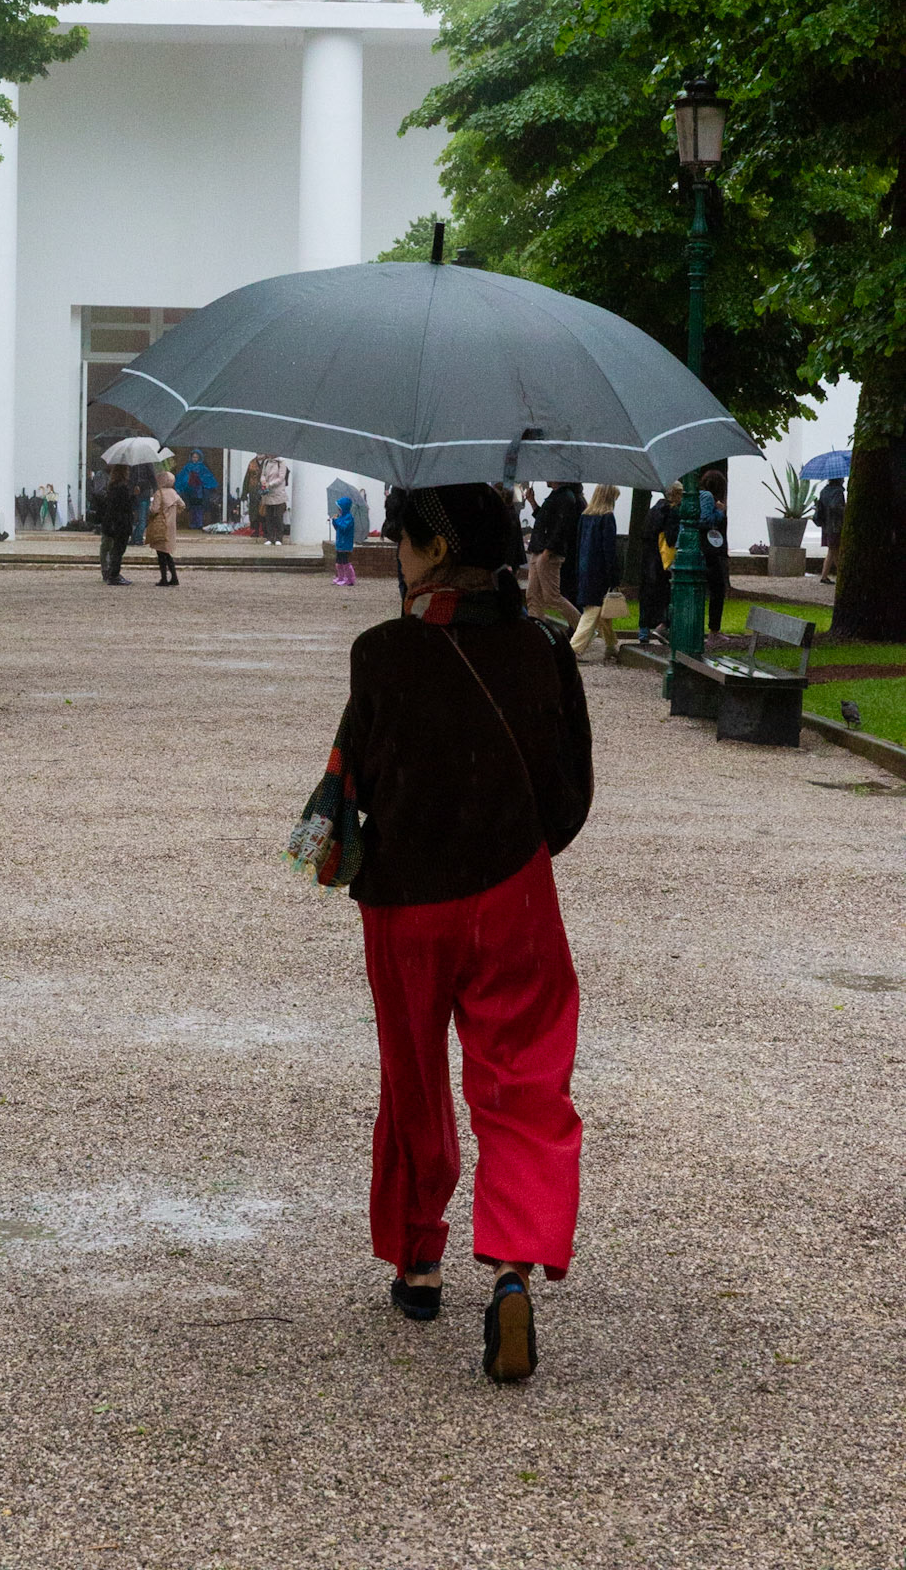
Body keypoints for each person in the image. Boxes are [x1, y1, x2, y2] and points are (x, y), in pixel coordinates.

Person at [289, 483, 592, 1383]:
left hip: (407, 901)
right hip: (514, 892)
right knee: (526, 1077)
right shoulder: (542, 650)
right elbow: (569, 790)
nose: (394, 552)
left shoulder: (381, 652)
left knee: (414, 1075)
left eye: (401, 539)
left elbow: (364, 779)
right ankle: (510, 1267)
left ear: (431, 546)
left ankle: (418, 1263)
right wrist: (516, 846)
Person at [570, 485, 623, 662]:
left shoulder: (585, 517)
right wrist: (614, 576)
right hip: (600, 571)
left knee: (602, 610)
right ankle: (573, 649)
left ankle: (610, 646)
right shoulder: (607, 517)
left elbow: (578, 545)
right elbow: (609, 550)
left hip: (585, 568)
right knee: (592, 611)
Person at [525, 482, 582, 631]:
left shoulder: (565, 497)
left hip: (548, 553)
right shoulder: (555, 496)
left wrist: (548, 551)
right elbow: (544, 521)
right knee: (533, 595)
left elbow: (561, 527)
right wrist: (532, 502)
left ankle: (582, 628)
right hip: (539, 550)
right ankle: (537, 631)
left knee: (551, 597)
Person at [637, 483, 682, 646]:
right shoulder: (672, 512)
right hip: (663, 561)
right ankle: (662, 627)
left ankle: (643, 631)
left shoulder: (654, 510)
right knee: (665, 595)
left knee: (647, 595)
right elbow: (671, 538)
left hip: (648, 559)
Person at [699, 470, 729, 641]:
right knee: (717, 588)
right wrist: (719, 512)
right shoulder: (708, 497)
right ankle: (714, 630)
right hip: (707, 550)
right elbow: (705, 520)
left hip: (701, 549)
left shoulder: (698, 495)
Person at [146, 467, 184, 586]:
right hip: (171, 525)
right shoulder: (174, 493)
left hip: (160, 525)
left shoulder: (159, 493)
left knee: (161, 554)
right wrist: (174, 513)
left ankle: (164, 578)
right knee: (167, 553)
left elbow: (154, 509)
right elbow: (182, 505)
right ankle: (174, 577)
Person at [99, 463, 135, 585]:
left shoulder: (112, 487)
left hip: (112, 522)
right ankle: (114, 575)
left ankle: (111, 573)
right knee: (119, 549)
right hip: (121, 523)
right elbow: (126, 506)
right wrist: (134, 496)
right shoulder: (122, 488)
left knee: (114, 549)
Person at [175, 448, 218, 530]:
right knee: (191, 508)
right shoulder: (187, 467)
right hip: (190, 491)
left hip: (199, 492)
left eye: (196, 457)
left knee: (199, 507)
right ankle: (192, 523)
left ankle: (199, 523)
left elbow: (207, 478)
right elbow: (182, 477)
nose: (194, 459)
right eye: (193, 457)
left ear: (199, 458)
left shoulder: (202, 468)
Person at [813, 475, 845, 583]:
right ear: (839, 479)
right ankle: (838, 575)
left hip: (826, 525)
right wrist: (845, 508)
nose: (844, 479)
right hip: (835, 526)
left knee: (832, 550)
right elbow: (835, 507)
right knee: (834, 550)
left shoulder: (824, 491)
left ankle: (826, 575)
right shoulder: (838, 492)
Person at [259, 455, 289, 543]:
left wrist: (270, 484)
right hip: (268, 493)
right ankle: (270, 537)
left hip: (278, 493)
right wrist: (263, 481)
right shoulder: (266, 462)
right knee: (269, 517)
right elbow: (263, 474)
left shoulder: (281, 462)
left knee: (278, 517)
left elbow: (281, 478)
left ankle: (279, 538)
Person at [332, 492, 356, 587]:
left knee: (345, 561)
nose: (338, 509)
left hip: (345, 543)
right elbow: (337, 528)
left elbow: (343, 528)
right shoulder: (341, 517)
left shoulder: (349, 517)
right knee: (338, 562)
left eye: (340, 507)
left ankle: (350, 579)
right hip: (340, 543)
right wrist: (334, 521)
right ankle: (340, 577)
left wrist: (336, 521)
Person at [243, 455, 263, 538]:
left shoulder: (268, 462)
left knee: (264, 510)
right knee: (253, 511)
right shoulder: (252, 463)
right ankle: (255, 530)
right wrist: (244, 493)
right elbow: (247, 478)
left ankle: (265, 530)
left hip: (265, 490)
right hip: (253, 489)